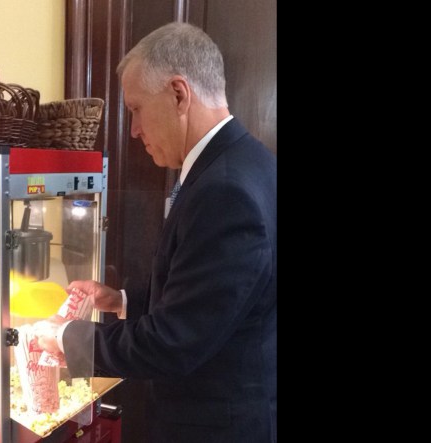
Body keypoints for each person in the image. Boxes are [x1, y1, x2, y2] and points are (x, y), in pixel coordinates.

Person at [34, 22, 276, 443]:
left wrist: (65, 338)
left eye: (136, 109)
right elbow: (206, 297)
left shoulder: (224, 189)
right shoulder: (249, 161)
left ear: (179, 94)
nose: (133, 130)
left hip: (218, 425)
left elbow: (174, 343)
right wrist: (123, 301)